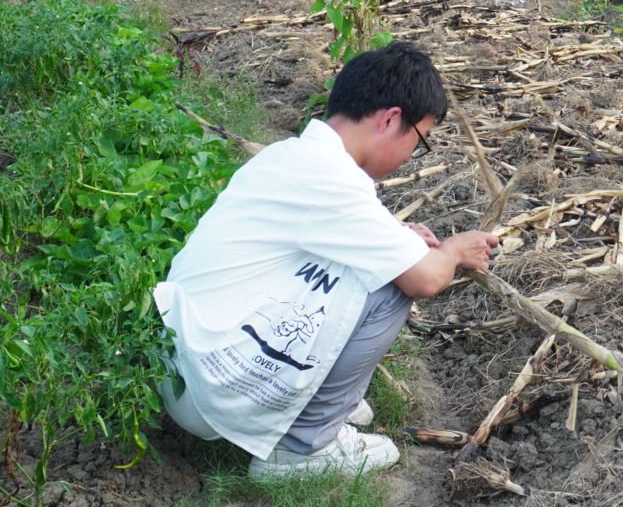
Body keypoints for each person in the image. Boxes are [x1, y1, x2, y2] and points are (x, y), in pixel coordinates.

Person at [154, 42, 500, 479]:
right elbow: (426, 280)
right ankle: (302, 447)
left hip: (182, 365)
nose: (414, 156)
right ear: (392, 119)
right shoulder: (331, 181)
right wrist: (451, 251)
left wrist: (397, 237)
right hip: (217, 386)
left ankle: (309, 404)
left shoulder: (295, 156)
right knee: (389, 286)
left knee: (377, 262)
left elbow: (331, 235)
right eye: (420, 141)